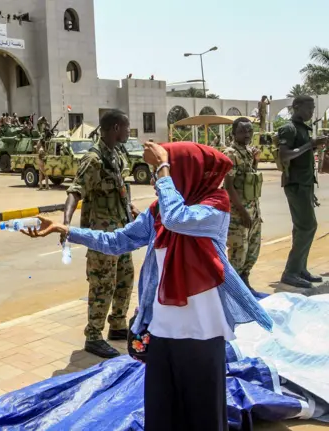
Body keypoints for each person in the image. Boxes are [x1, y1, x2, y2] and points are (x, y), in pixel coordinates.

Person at [23, 141, 273, 431]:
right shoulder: (157, 213)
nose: (156, 178)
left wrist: (164, 168)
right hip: (163, 333)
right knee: (162, 414)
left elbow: (178, 218)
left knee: (204, 416)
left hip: (203, 335)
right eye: (158, 171)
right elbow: (117, 241)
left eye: (164, 170)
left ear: (184, 172)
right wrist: (67, 230)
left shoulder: (215, 207)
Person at [63, 109, 136, 359]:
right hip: (102, 236)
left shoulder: (115, 154)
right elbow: (75, 191)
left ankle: (117, 325)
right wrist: (66, 224)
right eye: (126, 127)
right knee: (102, 284)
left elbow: (119, 188)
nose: (128, 132)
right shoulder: (94, 159)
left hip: (121, 232)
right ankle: (93, 336)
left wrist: (130, 208)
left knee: (125, 278)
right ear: (116, 128)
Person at [277, 95, 328, 288]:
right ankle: (290, 272)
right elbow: (285, 155)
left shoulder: (302, 129)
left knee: (303, 228)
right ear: (296, 107)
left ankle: (300, 269)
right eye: (308, 108)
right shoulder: (289, 129)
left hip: (304, 185)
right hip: (295, 185)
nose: (310, 112)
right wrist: (311, 145)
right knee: (307, 227)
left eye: (312, 109)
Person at [223, 118, 265, 297]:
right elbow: (228, 185)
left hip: (253, 209)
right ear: (233, 133)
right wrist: (242, 212)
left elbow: (250, 178)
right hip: (238, 212)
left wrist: (255, 160)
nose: (247, 135)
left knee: (253, 249)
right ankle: (233, 291)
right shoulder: (231, 153)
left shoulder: (248, 151)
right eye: (242, 131)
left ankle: (245, 283)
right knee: (238, 252)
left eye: (249, 131)